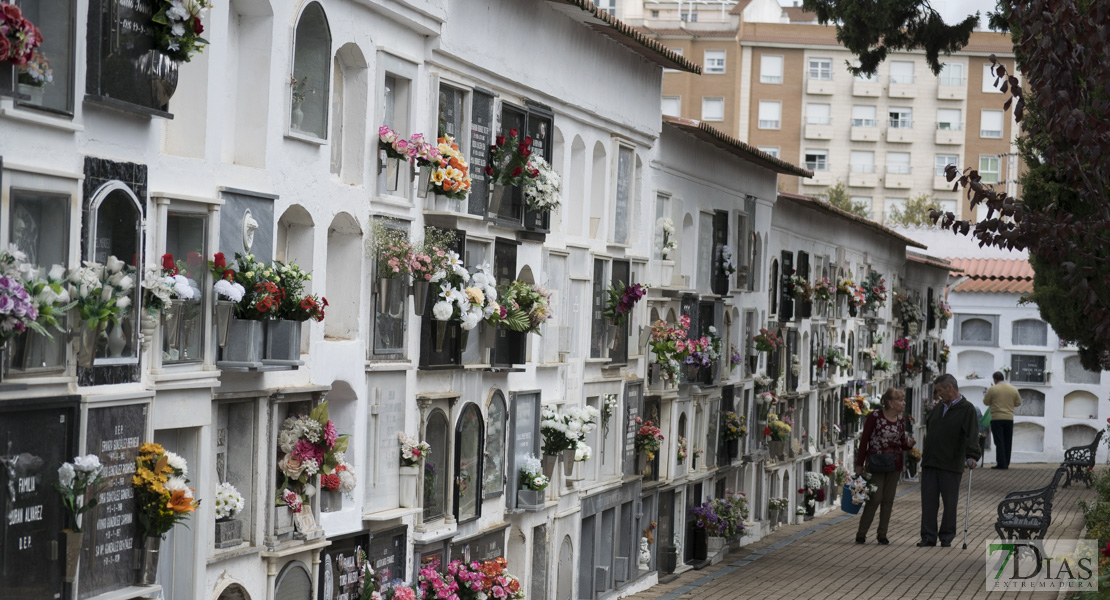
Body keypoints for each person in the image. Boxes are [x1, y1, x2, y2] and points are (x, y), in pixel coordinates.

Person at [919, 374, 981, 547]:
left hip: (950, 463)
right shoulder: (939, 407)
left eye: (940, 390)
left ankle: (946, 536)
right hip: (931, 462)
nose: (938, 394)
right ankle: (928, 537)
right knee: (929, 502)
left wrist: (972, 456)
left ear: (950, 388)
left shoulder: (966, 408)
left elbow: (972, 434)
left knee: (949, 503)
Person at [854, 387, 915, 545]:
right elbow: (864, 441)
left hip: (894, 463)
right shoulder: (875, 416)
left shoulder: (901, 420)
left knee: (888, 500)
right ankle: (862, 533)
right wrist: (859, 464)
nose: (904, 403)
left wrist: (908, 446)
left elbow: (902, 443)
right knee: (875, 498)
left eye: (903, 400)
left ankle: (882, 534)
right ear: (890, 403)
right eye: (900, 400)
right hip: (876, 462)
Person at [983, 371, 1022, 469]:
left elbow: (985, 402)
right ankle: (1007, 462)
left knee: (999, 441)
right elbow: (1018, 403)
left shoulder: (993, 389)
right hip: (1009, 418)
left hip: (997, 418)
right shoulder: (1013, 389)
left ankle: (1001, 464)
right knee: (1008, 441)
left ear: (995, 379)